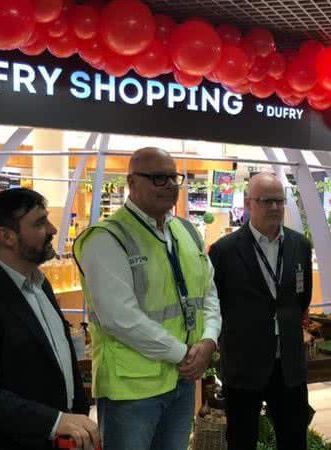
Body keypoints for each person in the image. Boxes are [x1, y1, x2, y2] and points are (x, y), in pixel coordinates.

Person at [73, 147, 221, 450]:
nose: (169, 186)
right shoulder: (106, 238)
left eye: (173, 178)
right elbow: (119, 317)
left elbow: (208, 293)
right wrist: (183, 354)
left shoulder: (187, 231)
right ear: (132, 182)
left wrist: (209, 340)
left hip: (181, 381)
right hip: (132, 391)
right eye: (158, 178)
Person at [0, 188, 97, 450]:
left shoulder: (40, 285)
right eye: (40, 223)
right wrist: (54, 421)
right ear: (7, 236)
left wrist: (76, 414)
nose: (53, 229)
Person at [209, 173, 313, 450]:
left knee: (294, 440)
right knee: (241, 440)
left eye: (279, 200)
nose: (275, 207)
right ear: (248, 203)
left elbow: (301, 298)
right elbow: (214, 304)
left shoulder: (300, 245)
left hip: (288, 365)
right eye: (266, 201)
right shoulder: (224, 251)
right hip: (244, 364)